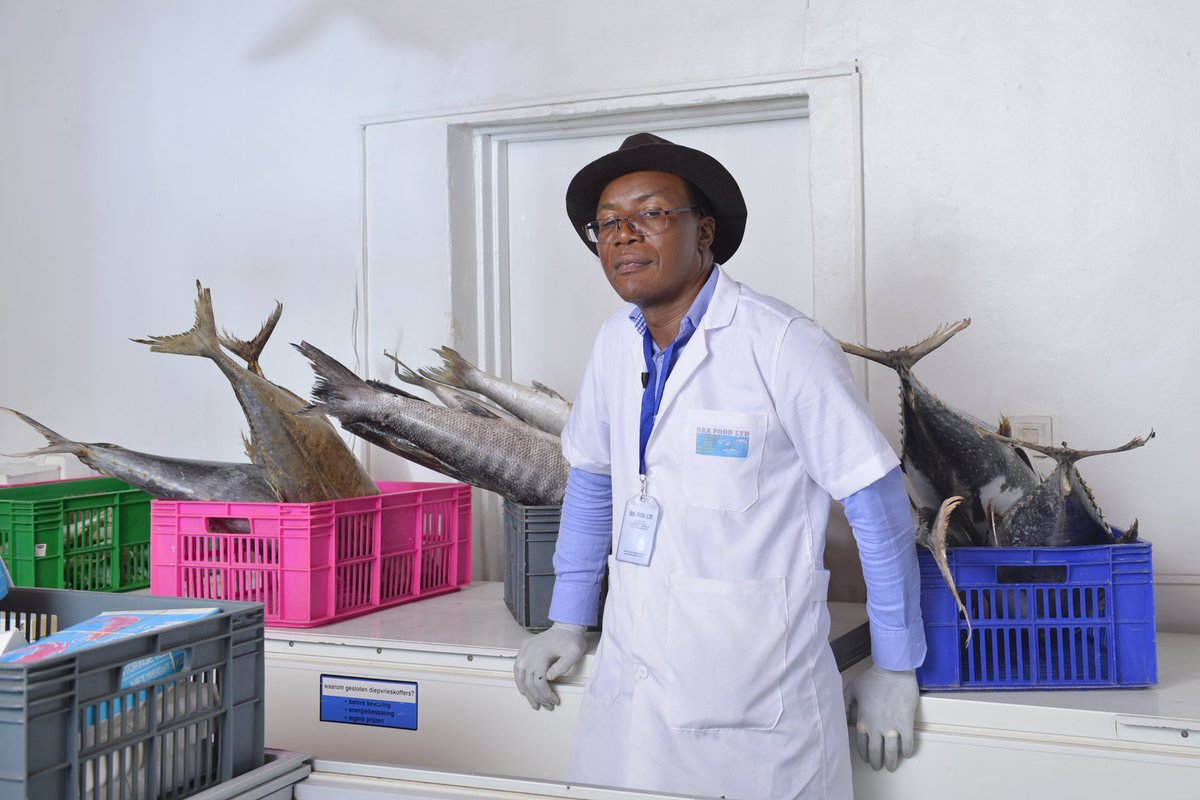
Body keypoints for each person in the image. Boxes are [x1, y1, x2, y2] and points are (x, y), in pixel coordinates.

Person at [513, 132, 926, 800]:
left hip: (757, 707)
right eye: (608, 223)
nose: (623, 235)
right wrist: (568, 618)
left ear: (703, 231)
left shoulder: (783, 345)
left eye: (650, 213)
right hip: (630, 696)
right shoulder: (614, 344)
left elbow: (876, 503)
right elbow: (592, 480)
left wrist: (896, 662)